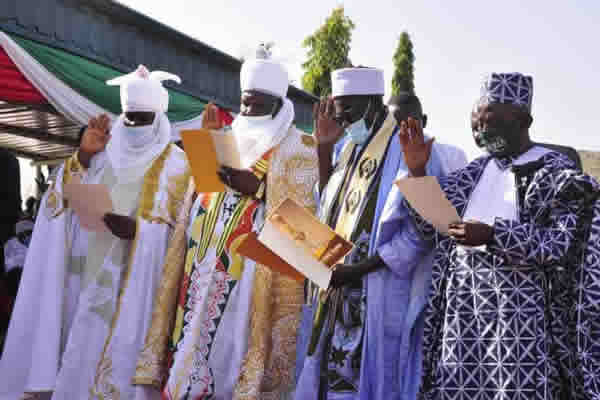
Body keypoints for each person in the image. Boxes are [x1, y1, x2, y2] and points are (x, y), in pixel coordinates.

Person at [394, 72, 599, 399]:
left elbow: (561, 246)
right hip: (461, 329)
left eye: (488, 120)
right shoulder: (473, 173)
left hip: (519, 336)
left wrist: (493, 234)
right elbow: (429, 230)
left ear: (522, 119)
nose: (479, 129)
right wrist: (418, 171)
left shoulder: (557, 175)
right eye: (475, 122)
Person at [0, 65, 192, 400]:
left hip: (141, 300)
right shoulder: (100, 155)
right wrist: (84, 157)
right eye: (129, 117)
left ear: (159, 118)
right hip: (86, 287)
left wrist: (140, 232)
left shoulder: (179, 168)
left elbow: (191, 236)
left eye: (142, 118)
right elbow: (56, 206)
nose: (133, 126)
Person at [142, 49, 318, 400]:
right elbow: (200, 196)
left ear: (276, 104)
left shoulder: (299, 148)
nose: (247, 112)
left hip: (252, 280)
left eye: (256, 105)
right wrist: (205, 153)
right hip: (201, 269)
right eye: (244, 103)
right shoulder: (227, 134)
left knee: (232, 355)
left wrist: (262, 189)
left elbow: (307, 233)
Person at [294, 67, 467, 400]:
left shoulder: (410, 148)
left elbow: (431, 229)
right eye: (338, 110)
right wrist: (324, 149)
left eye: (349, 110)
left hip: (378, 292)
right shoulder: (348, 148)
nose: (342, 119)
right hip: (335, 295)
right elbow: (330, 205)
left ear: (374, 104)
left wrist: (358, 270)